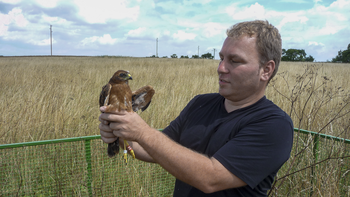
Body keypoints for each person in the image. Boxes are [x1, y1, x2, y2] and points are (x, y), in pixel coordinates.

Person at [99, 20, 294, 196]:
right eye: (222, 58)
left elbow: (211, 178)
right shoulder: (200, 103)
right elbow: (154, 150)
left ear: (266, 70)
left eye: (235, 61)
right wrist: (121, 134)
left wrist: (142, 132)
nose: (221, 68)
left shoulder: (275, 125)